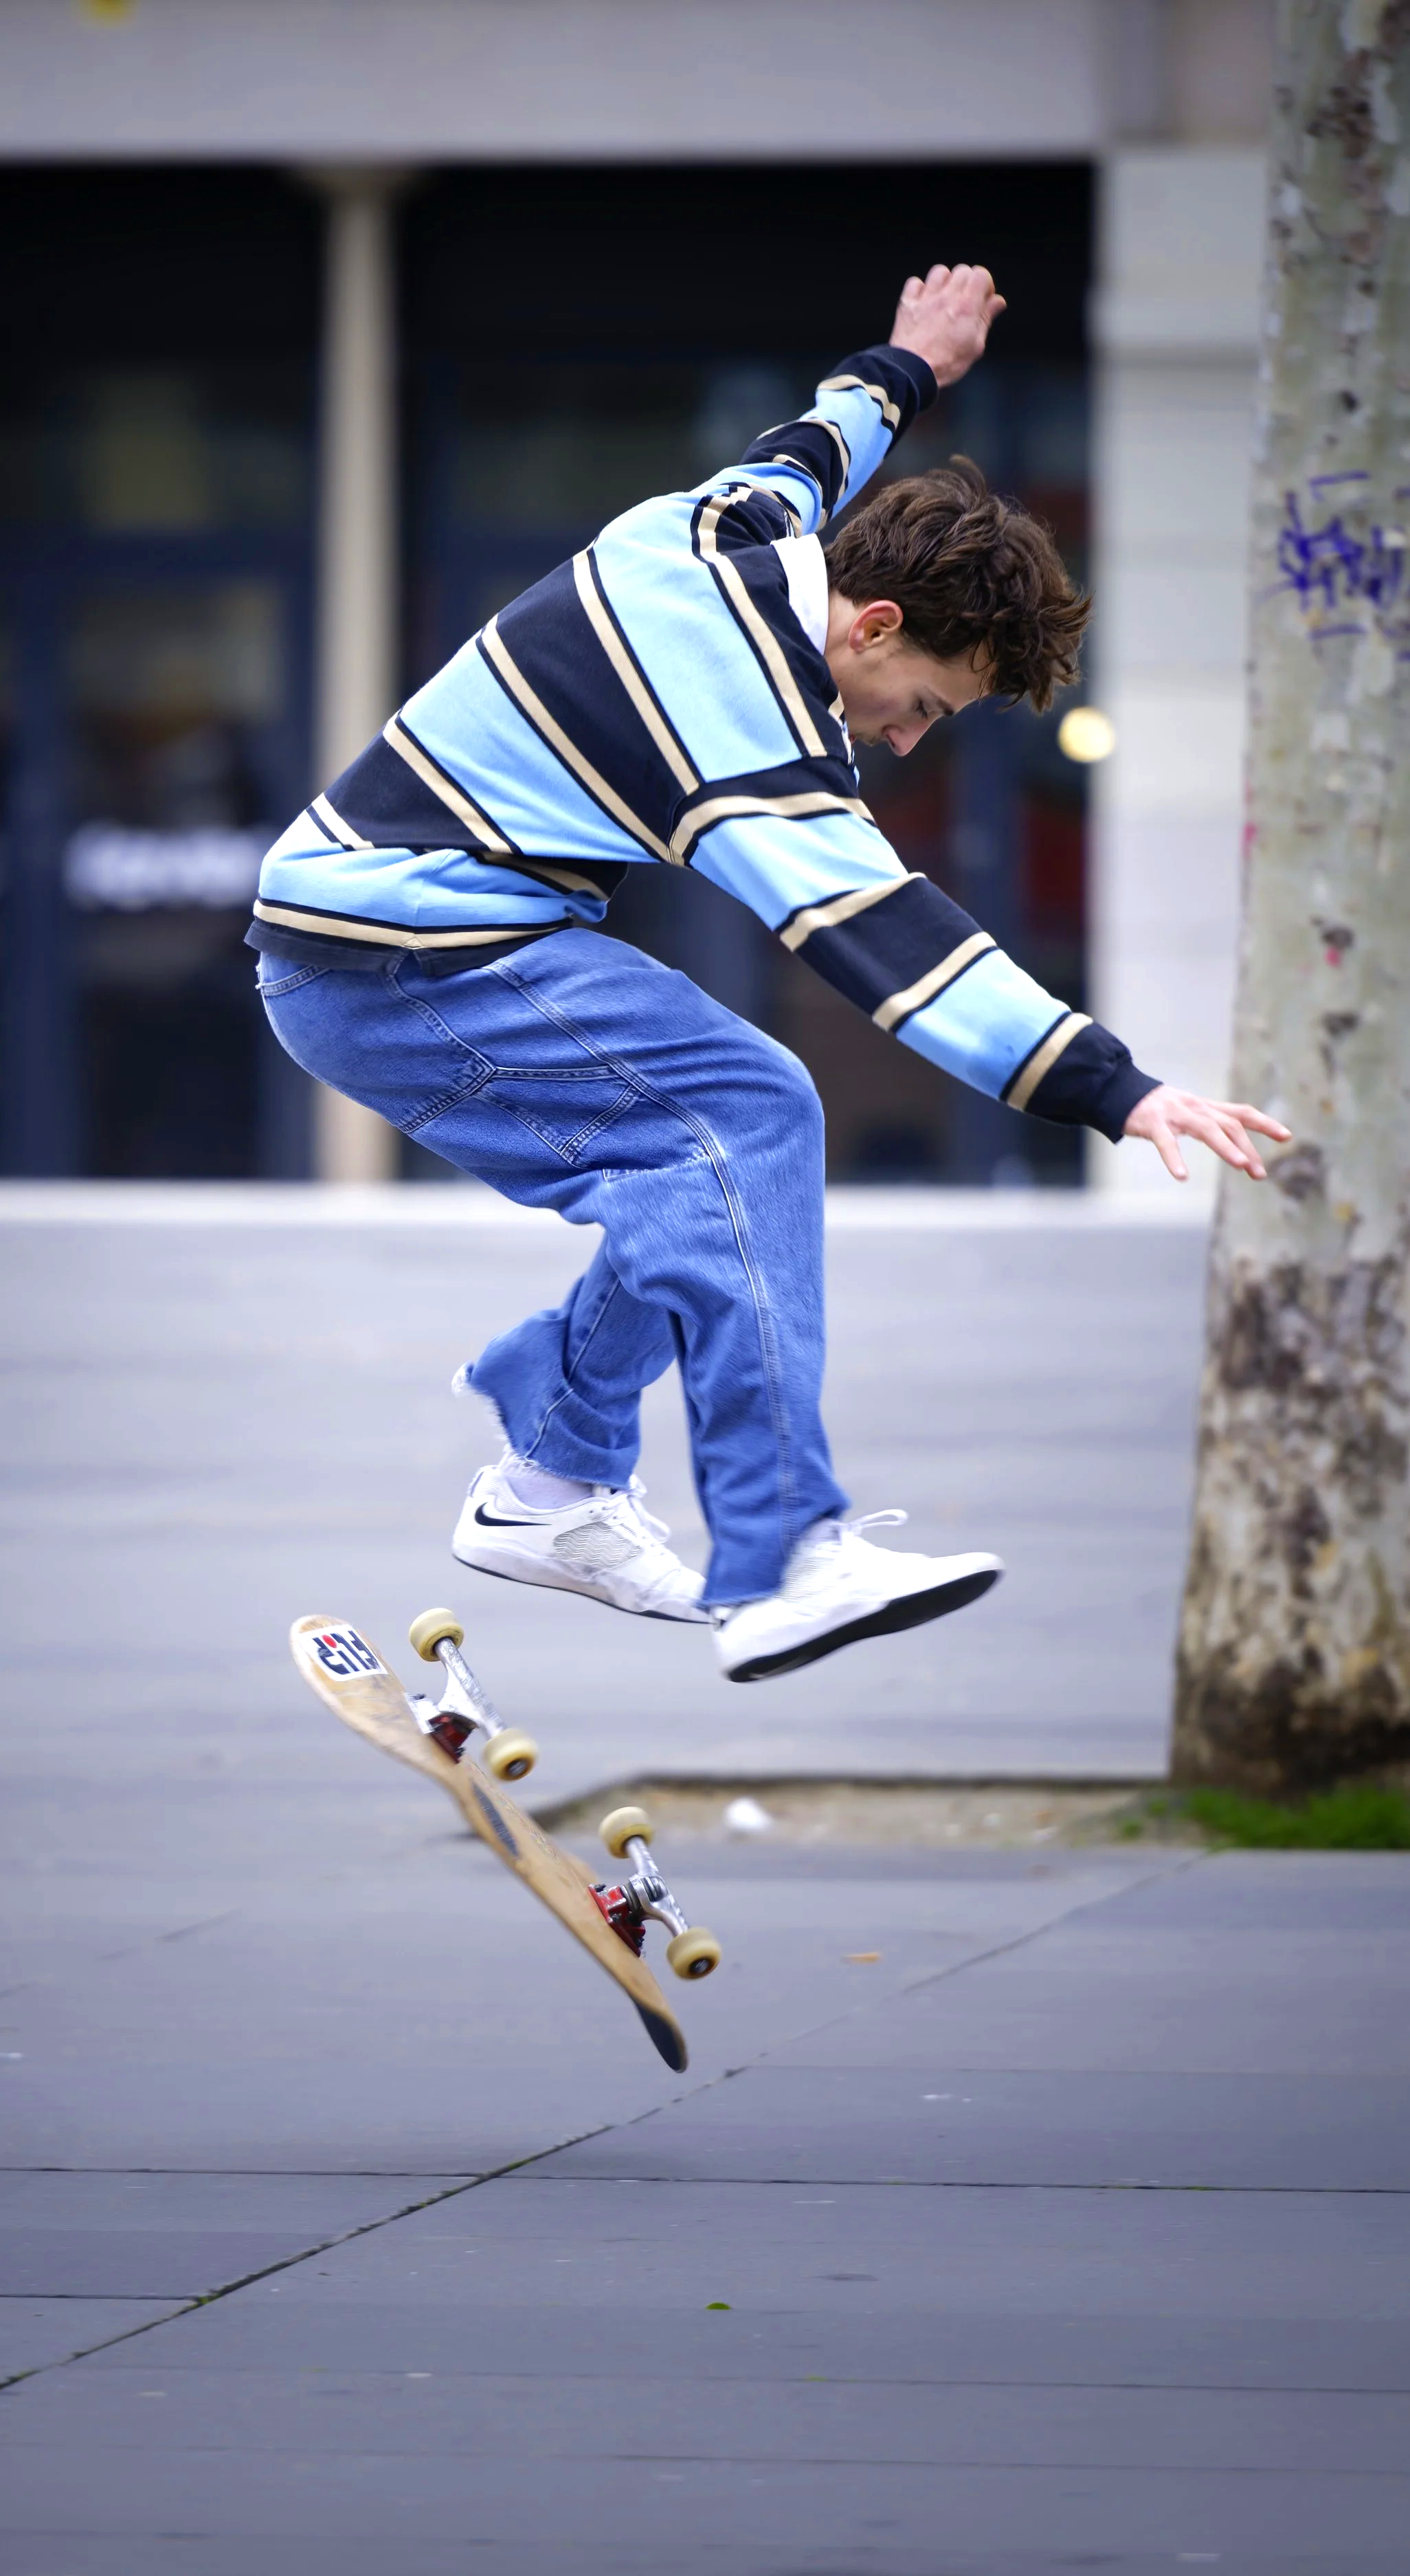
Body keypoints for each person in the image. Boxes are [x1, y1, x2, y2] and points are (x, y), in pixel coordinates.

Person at [250, 264, 1288, 1683]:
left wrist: (910, 365)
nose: (904, 739)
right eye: (921, 705)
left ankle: (550, 1479)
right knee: (751, 1109)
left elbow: (812, 444)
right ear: (872, 626)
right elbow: (886, 934)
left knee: (690, 1167)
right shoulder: (739, 712)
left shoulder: (720, 531)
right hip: (400, 958)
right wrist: (1118, 1089)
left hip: (396, 938)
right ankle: (784, 1551)